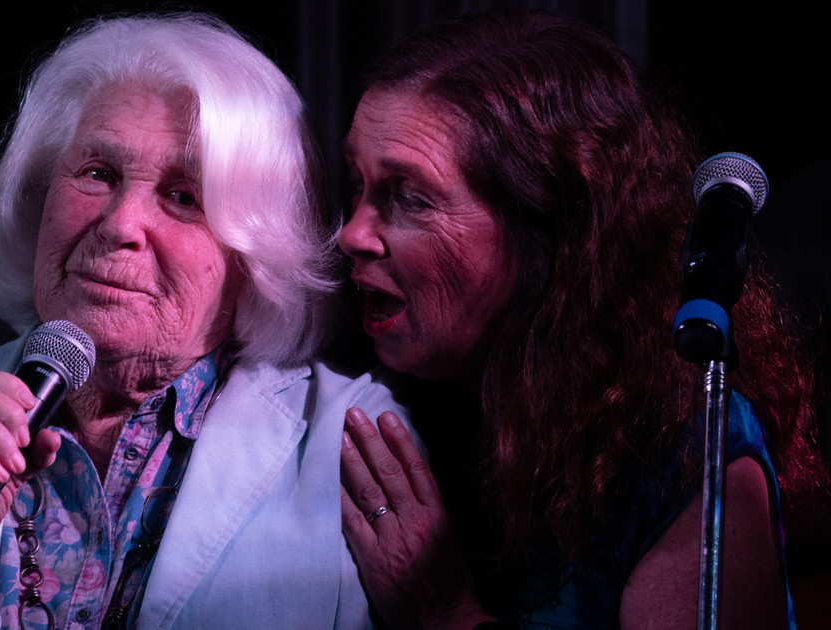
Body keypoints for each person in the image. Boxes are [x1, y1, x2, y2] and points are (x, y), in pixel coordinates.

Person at [0, 13, 406, 629]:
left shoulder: (350, 437)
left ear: (255, 257)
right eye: (97, 174)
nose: (119, 225)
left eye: (184, 196)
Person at [335, 11, 827, 630]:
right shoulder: (381, 396)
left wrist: (446, 611)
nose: (351, 233)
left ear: (546, 233)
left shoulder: (682, 448)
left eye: (411, 197)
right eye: (356, 183)